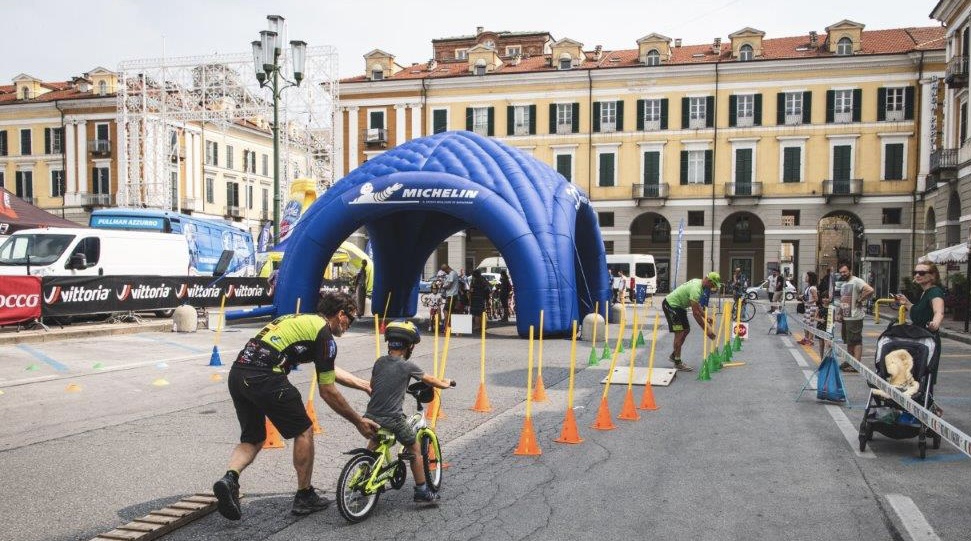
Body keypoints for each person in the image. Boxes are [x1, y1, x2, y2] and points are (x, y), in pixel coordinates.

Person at [212, 291, 380, 520]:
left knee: (253, 438)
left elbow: (327, 370)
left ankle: (229, 478)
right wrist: (359, 422)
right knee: (303, 430)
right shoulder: (324, 336)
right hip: (267, 376)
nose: (350, 325)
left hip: (238, 374)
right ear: (341, 314)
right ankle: (304, 495)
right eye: (351, 319)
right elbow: (327, 390)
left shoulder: (302, 321)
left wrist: (363, 384)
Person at [365, 320, 454, 502]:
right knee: (415, 450)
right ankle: (422, 491)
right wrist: (445, 383)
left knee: (374, 443)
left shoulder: (379, 362)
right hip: (392, 418)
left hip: (371, 415)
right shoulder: (408, 366)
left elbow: (373, 386)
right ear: (408, 346)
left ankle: (366, 471)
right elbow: (430, 380)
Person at [894, 261, 945, 387]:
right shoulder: (924, 293)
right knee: (916, 373)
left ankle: (926, 402)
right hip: (918, 337)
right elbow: (919, 312)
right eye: (915, 272)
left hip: (928, 338)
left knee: (925, 373)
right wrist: (906, 303)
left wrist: (935, 323)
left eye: (922, 273)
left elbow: (939, 311)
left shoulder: (935, 292)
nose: (917, 275)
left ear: (932, 276)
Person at [661, 271, 721, 371]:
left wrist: (706, 316)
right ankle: (677, 362)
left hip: (679, 307)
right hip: (671, 305)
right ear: (708, 280)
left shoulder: (700, 285)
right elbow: (695, 313)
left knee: (686, 330)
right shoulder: (696, 289)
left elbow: (697, 306)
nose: (713, 287)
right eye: (713, 284)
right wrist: (707, 330)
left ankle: (674, 355)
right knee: (680, 332)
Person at [836, 261, 875, 372]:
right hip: (846, 317)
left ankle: (856, 364)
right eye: (841, 272)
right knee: (849, 341)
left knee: (856, 341)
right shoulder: (844, 284)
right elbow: (843, 300)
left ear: (850, 271)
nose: (843, 274)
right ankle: (850, 361)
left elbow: (870, 290)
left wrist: (860, 299)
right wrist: (840, 313)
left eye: (844, 271)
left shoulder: (856, 281)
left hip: (855, 316)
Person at [798, 271, 819, 347]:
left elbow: (816, 299)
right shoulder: (808, 287)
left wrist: (808, 302)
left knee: (810, 324)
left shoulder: (812, 288)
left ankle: (811, 340)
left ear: (811, 278)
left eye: (807, 277)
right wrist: (803, 298)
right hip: (808, 307)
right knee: (805, 323)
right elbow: (807, 297)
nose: (806, 278)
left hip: (811, 308)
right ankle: (806, 339)